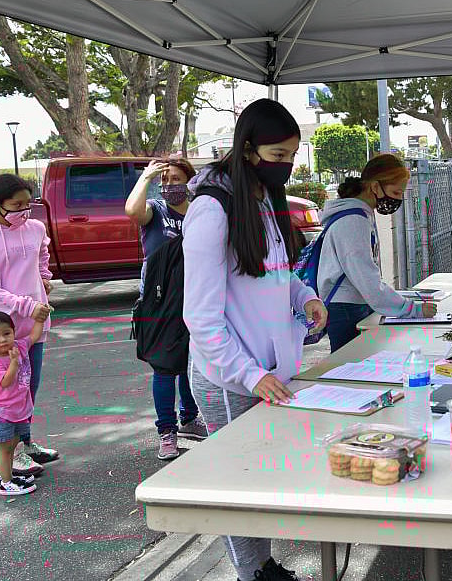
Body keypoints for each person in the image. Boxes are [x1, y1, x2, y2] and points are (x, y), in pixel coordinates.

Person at [182, 98, 326, 581]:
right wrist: (250, 373)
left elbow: (275, 273)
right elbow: (200, 318)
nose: (286, 166)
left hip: (269, 373)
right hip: (231, 377)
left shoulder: (266, 198)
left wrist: (305, 297)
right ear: (247, 150)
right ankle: (254, 572)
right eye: (278, 155)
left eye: (291, 156)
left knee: (263, 481)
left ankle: (263, 566)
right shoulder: (211, 209)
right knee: (238, 488)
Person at [0, 174, 59, 478]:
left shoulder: (35, 228)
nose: (23, 210)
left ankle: (26, 443)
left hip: (33, 323)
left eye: (27, 203)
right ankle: (12, 454)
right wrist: (25, 304)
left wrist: (44, 277)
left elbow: (42, 255)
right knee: (6, 392)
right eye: (15, 205)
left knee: (29, 388)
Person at [124, 155, 208, 461]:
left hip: (197, 296)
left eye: (176, 178)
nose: (170, 185)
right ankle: (167, 432)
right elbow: (133, 210)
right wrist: (146, 177)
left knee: (192, 363)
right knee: (164, 367)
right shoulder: (157, 211)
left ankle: (189, 418)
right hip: (159, 302)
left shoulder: (200, 212)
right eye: (165, 180)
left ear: (190, 180)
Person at [318, 154, 436, 352]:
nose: (398, 199)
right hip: (347, 310)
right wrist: (412, 309)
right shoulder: (353, 222)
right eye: (396, 192)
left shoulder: (359, 215)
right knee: (351, 369)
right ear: (374, 187)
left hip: (350, 306)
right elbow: (369, 282)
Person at [0, 310, 50, 496]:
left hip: (18, 411)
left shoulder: (19, 346)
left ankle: (8, 476)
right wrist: (13, 364)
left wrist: (39, 319)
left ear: (13, 331)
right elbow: (5, 382)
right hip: (0, 413)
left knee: (13, 446)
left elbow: (34, 336)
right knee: (4, 449)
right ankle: (5, 483)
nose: (2, 340)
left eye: (6, 333)